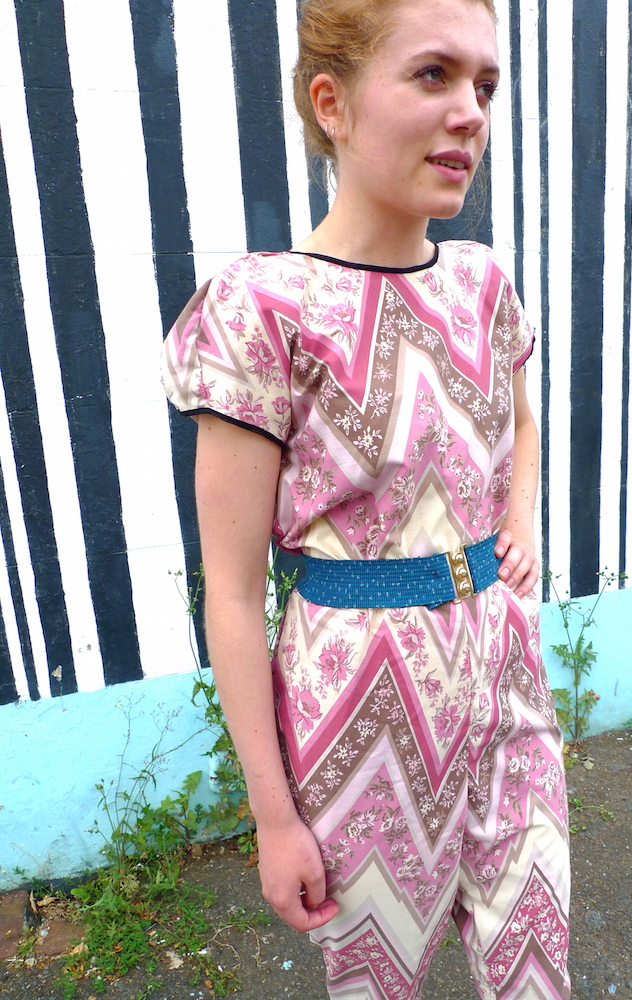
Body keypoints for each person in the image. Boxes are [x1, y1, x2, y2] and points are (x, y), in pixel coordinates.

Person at [162, 0, 570, 996]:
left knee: (535, 961)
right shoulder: (262, 309)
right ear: (331, 103)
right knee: (377, 981)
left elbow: (521, 422)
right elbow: (232, 592)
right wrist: (273, 818)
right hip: (358, 716)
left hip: (506, 680)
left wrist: (518, 523)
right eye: (434, 74)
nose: (472, 112)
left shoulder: (482, 284)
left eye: (485, 85)